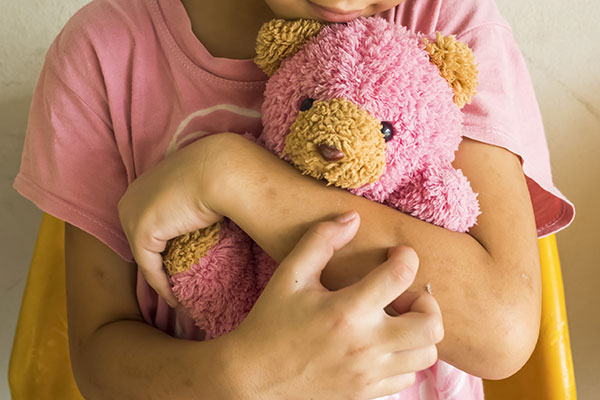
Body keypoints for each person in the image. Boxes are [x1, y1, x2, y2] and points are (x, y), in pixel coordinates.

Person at [13, 0, 575, 398]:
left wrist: (231, 177)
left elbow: (501, 330)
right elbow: (96, 358)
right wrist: (247, 377)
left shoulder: (445, 23)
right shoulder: (103, 54)